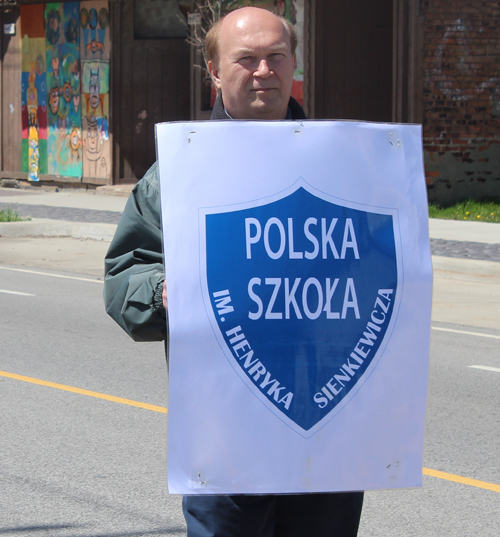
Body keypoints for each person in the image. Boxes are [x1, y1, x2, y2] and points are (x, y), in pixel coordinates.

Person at [104, 7, 363, 537]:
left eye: (275, 56)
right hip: (227, 435)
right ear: (216, 72)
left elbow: (387, 271)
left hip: (329, 430)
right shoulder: (180, 173)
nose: (263, 70)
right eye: (245, 59)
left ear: (294, 64)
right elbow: (125, 274)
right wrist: (161, 294)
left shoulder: (350, 164)